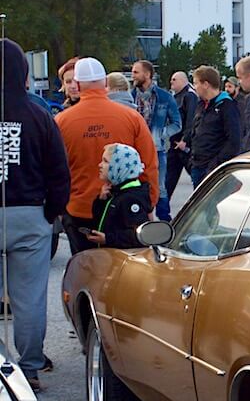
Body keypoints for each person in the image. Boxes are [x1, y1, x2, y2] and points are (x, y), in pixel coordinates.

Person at [0, 38, 71, 391]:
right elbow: (59, 171)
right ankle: (28, 367)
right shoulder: (39, 115)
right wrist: (51, 212)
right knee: (28, 298)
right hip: (30, 215)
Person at [56, 57, 159, 254]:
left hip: (79, 210)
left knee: (84, 271)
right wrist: (148, 203)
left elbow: (53, 171)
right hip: (123, 212)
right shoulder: (131, 118)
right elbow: (149, 165)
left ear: (77, 84)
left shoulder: (62, 121)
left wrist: (60, 208)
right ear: (105, 83)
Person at [131, 60, 182, 222]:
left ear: (147, 74)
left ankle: (165, 221)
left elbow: (177, 124)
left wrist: (160, 134)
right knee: (134, 186)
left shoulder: (164, 97)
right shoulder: (130, 97)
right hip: (134, 151)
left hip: (156, 149)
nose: (133, 76)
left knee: (160, 187)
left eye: (136, 72)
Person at [87, 143, 153, 249]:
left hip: (122, 259)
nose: (100, 165)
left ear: (119, 167)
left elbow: (138, 237)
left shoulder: (131, 198)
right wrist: (101, 200)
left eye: (105, 161)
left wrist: (108, 239)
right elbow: (101, 220)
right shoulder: (117, 191)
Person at [184, 65, 241, 187]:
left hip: (213, 168)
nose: (194, 87)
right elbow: (195, 130)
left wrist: (216, 163)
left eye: (196, 83)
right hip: (197, 164)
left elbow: (234, 140)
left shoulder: (227, 106)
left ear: (206, 84)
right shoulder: (201, 105)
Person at [166, 71, 198, 214]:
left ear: (183, 81)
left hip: (185, 145)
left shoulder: (190, 96)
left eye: (174, 80)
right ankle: (163, 211)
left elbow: (191, 119)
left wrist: (185, 140)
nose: (171, 82)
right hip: (174, 144)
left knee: (196, 176)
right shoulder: (175, 97)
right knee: (168, 180)